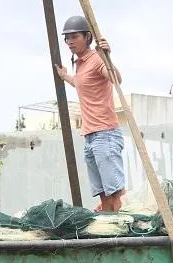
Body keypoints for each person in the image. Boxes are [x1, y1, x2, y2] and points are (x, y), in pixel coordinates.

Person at [54, 15, 126, 212]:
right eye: (67, 38)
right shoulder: (81, 64)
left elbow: (115, 78)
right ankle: (108, 226)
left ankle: (115, 232)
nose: (69, 42)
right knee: (102, 193)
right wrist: (65, 76)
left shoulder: (96, 59)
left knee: (113, 192)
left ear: (87, 37)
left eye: (74, 37)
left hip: (106, 133)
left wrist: (106, 56)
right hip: (90, 135)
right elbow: (82, 84)